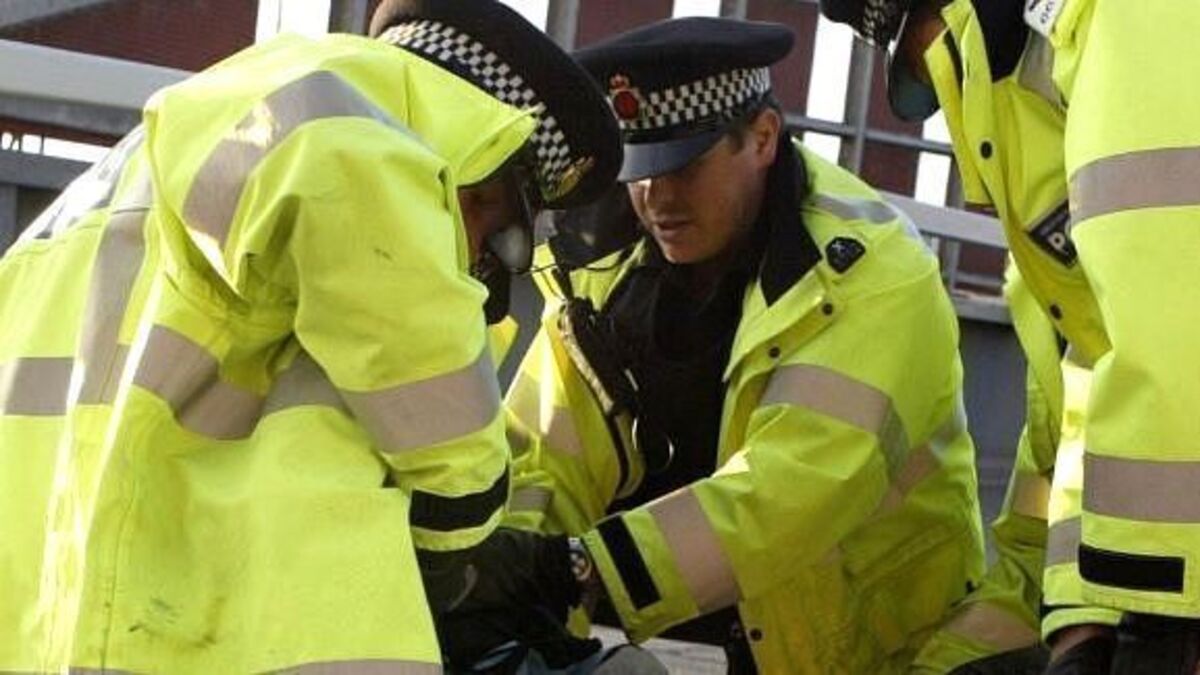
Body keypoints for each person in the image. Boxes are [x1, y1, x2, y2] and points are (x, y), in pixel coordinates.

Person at [0, 0, 620, 671]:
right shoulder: (334, 112)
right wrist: (468, 504)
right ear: (471, 148)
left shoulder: (102, 195)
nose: (474, 255)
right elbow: (446, 446)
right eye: (486, 215)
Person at [455, 16, 986, 674]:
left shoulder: (872, 275)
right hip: (677, 627)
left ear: (762, 138)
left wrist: (581, 568)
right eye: (639, 169)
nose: (656, 197)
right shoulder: (598, 266)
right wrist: (505, 574)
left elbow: (790, 491)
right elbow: (547, 457)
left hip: (867, 655)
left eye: (683, 167)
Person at [818, 0, 1200, 672]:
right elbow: (1087, 417)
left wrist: (1156, 620)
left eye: (930, 65)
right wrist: (1081, 618)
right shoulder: (1061, 98)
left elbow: (1175, 328)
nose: (948, 97)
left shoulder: (1136, 25)